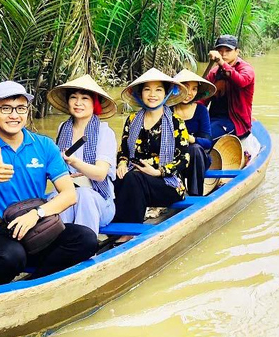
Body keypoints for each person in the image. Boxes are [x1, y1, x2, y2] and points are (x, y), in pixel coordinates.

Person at [0, 81, 98, 288]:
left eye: (20, 108)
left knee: (87, 239)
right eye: (6, 108)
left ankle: (34, 285)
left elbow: (69, 195)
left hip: (37, 224)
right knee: (12, 256)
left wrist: (36, 214)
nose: (14, 115)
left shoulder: (44, 145)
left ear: (27, 111)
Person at [113, 68, 190, 225]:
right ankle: (113, 225)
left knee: (134, 179)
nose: (152, 94)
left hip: (167, 182)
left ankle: (130, 230)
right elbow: (124, 150)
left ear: (166, 94)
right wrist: (121, 162)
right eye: (147, 89)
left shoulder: (176, 122)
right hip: (133, 176)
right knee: (113, 179)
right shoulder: (132, 120)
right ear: (140, 94)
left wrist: (157, 172)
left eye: (158, 90)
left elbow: (184, 159)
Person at [46, 74, 117, 235]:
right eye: (73, 97)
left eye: (85, 98)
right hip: (69, 194)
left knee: (83, 196)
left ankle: (84, 248)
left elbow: (100, 174)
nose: (78, 103)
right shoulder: (63, 128)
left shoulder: (105, 132)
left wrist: (74, 162)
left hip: (99, 201)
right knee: (56, 198)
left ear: (94, 103)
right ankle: (58, 248)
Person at [173, 69, 216, 196]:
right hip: (171, 158)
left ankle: (196, 195)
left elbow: (208, 142)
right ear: (177, 88)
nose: (190, 93)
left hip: (196, 161)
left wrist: (192, 139)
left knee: (195, 149)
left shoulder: (201, 110)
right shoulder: (167, 110)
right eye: (185, 87)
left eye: (194, 89)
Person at [205, 35, 255, 140]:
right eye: (220, 50)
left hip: (236, 122)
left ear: (237, 52)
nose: (223, 54)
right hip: (214, 118)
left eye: (228, 50)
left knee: (205, 138)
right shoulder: (213, 73)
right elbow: (203, 98)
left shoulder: (246, 69)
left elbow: (241, 81)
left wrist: (222, 63)